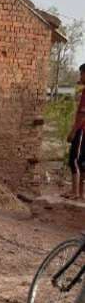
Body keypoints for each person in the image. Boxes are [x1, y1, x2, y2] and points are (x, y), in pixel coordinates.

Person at [65, 63, 85, 201]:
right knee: (79, 161)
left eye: (81, 73)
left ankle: (76, 192)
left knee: (75, 160)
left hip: (82, 130)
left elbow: (83, 116)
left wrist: (73, 131)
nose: (80, 76)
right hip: (81, 129)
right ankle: (77, 192)